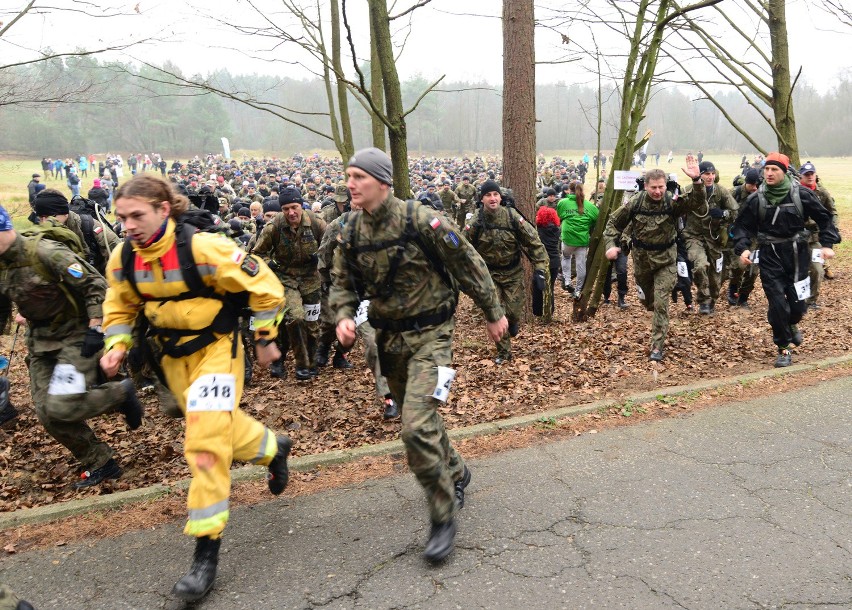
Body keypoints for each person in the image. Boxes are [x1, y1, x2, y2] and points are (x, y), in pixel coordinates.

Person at [99, 174, 292, 601]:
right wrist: (116, 344)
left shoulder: (205, 248)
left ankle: (206, 552)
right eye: (121, 218)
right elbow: (119, 303)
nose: (127, 226)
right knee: (219, 429)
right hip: (172, 360)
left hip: (217, 352)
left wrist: (265, 339)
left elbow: (265, 287)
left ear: (163, 210)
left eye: (137, 215)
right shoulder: (123, 258)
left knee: (204, 442)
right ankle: (272, 448)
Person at [330, 148, 507, 563]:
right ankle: (458, 469)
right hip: (390, 340)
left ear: (383, 182)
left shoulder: (421, 220)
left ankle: (443, 515)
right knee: (422, 418)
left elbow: (467, 261)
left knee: (414, 425)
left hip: (434, 335)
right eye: (348, 176)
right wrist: (342, 317)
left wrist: (492, 311)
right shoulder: (349, 231)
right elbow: (340, 282)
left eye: (359, 176)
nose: (351, 183)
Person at [0, 203, 143, 488]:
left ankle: (119, 392)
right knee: (47, 413)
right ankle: (101, 462)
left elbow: (95, 284)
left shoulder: (45, 253)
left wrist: (94, 328)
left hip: (75, 337)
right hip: (41, 343)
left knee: (62, 405)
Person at [732, 153, 840, 367]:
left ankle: (790, 325)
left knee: (798, 308)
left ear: (784, 172)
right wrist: (743, 248)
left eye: (775, 170)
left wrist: (827, 244)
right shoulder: (757, 199)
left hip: (797, 256)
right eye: (767, 169)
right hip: (769, 256)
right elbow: (742, 226)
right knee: (778, 304)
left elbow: (825, 218)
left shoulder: (800, 194)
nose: (769, 173)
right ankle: (783, 348)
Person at [603, 158, 704, 361]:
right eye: (653, 188)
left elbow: (696, 202)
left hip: (666, 260)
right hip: (642, 262)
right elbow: (613, 224)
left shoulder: (671, 202)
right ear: (646, 186)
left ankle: (657, 346)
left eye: (661, 187)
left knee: (660, 303)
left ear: (665, 185)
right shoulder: (635, 203)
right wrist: (611, 245)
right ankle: (649, 303)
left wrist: (697, 181)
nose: (657, 191)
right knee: (648, 301)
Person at [464, 180, 549, 364]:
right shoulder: (476, 221)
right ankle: (504, 353)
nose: (492, 198)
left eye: (495, 194)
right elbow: (463, 248)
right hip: (489, 275)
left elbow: (533, 241)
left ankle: (512, 322)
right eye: (488, 195)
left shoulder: (512, 217)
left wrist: (540, 269)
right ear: (482, 199)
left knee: (513, 312)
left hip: (513, 273)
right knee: (497, 313)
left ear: (500, 197)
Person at [251, 186, 328, 380]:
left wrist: (320, 260)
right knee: (296, 318)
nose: (291, 213)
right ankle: (302, 365)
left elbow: (331, 249)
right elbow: (257, 254)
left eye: (294, 207)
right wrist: (272, 265)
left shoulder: (317, 224)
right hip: (286, 279)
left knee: (312, 324)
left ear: (301, 205)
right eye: (286, 209)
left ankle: (311, 362)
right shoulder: (274, 227)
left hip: (311, 279)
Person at [682, 161, 738, 314]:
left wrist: (723, 214)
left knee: (716, 276)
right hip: (693, 236)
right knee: (700, 266)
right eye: (707, 174)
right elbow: (677, 210)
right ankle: (703, 301)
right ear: (699, 175)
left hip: (715, 239)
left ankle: (712, 299)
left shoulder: (721, 192)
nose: (710, 177)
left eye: (712, 174)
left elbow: (735, 212)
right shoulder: (688, 191)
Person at [799, 162, 839, 307]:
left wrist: (831, 228)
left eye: (812, 174)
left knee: (817, 269)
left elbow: (832, 212)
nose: (810, 177)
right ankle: (796, 299)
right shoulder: (794, 193)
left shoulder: (822, 193)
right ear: (801, 176)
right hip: (794, 238)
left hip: (815, 238)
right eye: (806, 175)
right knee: (796, 270)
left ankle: (811, 301)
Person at [556, 183, 599, 299]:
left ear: (569, 191)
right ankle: (578, 290)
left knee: (566, 257)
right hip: (582, 240)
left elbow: (559, 215)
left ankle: (567, 281)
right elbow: (596, 220)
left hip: (568, 238)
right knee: (581, 265)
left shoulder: (562, 203)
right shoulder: (590, 207)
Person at [533, 206, 561, 317]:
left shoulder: (539, 231)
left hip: (542, 262)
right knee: (550, 287)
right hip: (554, 262)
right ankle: (550, 310)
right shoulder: (557, 230)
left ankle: (537, 311)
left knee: (537, 286)